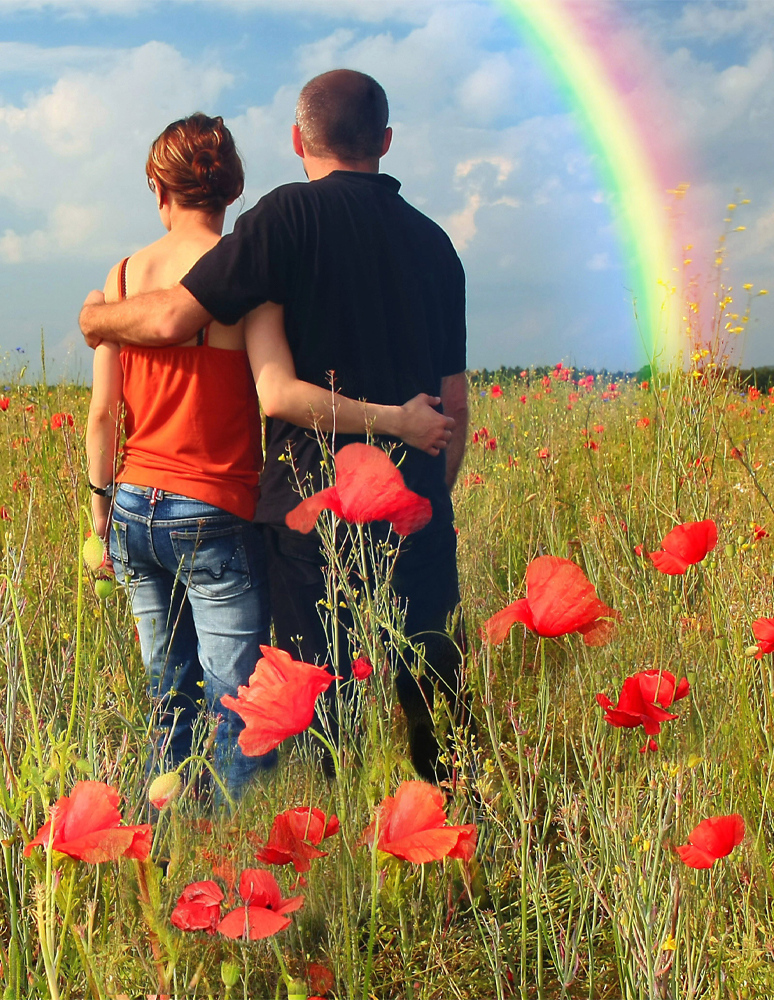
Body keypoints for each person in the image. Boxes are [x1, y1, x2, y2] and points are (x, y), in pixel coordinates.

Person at [81, 70, 470, 785]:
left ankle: (303, 847)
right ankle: (447, 850)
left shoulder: (283, 220)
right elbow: (455, 405)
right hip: (411, 516)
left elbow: (179, 328)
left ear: (298, 140)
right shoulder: (437, 245)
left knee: (304, 711)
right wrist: (411, 492)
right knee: (432, 710)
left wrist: (95, 317)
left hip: (298, 518)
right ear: (385, 141)